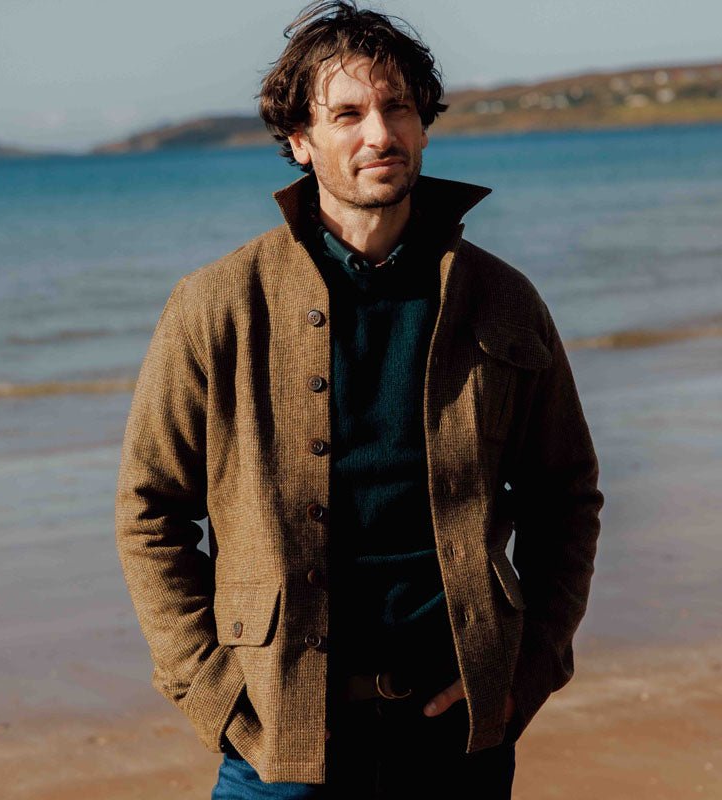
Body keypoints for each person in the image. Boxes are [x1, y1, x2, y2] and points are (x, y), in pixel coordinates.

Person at [114, 1, 604, 797]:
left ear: (423, 124)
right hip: (278, 746)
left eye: (398, 107)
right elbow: (149, 511)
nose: (380, 133)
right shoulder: (217, 305)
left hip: (460, 741)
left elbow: (566, 495)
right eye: (348, 113)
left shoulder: (502, 299)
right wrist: (214, 693)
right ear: (301, 143)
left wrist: (535, 665)